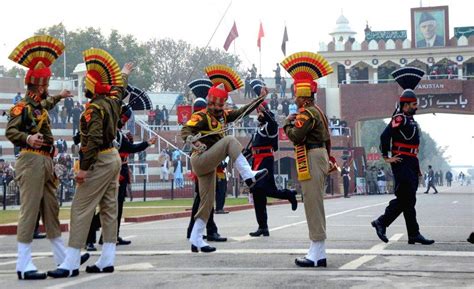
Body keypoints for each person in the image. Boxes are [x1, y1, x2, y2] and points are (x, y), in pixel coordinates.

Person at [6, 35, 89, 280]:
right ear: (38, 85)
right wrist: (28, 138)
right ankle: (23, 264)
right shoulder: (21, 108)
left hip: (45, 161)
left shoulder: (39, 106)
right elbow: (11, 131)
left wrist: (61, 96)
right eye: (45, 84)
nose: (47, 88)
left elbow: (47, 104)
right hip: (30, 160)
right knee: (30, 211)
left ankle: (63, 257)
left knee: (51, 210)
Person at [47, 50, 133, 278]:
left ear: (93, 87)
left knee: (80, 208)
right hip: (113, 156)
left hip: (100, 160)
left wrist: (83, 169)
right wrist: (124, 73)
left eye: (87, 83)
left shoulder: (93, 109)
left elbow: (92, 140)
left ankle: (71, 262)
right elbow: (119, 88)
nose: (84, 86)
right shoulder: (112, 101)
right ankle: (107, 259)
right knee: (109, 209)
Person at [181, 65, 268, 253]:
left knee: (207, 202)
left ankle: (196, 239)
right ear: (209, 102)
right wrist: (191, 140)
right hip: (200, 159)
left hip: (210, 163)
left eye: (221, 106)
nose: (217, 109)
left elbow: (243, 111)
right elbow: (186, 129)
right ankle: (247, 174)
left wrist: (260, 98)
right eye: (214, 105)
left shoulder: (224, 116)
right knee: (230, 140)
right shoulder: (201, 116)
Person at [281, 52, 334, 268]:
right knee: (315, 202)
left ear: (303, 96)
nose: (294, 99)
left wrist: (286, 124)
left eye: (296, 95)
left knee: (312, 203)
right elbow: (329, 138)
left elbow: (295, 136)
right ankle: (317, 252)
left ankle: (317, 251)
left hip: (312, 156)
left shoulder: (306, 113)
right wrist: (328, 158)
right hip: (319, 154)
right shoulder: (318, 112)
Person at [371, 67, 435, 246]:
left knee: (409, 200)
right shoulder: (399, 118)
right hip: (401, 162)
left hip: (410, 162)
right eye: (414, 104)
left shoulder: (410, 119)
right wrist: (386, 157)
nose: (417, 106)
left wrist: (417, 168)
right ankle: (382, 222)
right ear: (406, 105)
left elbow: (413, 147)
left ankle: (412, 233)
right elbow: (385, 136)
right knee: (406, 198)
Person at [85, 106, 157, 250]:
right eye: (122, 118)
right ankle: (89, 237)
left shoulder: (118, 133)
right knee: (107, 207)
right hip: (105, 170)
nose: (123, 122)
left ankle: (111, 235)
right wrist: (147, 143)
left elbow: (127, 147)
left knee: (117, 206)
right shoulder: (108, 131)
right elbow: (129, 148)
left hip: (119, 170)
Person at [248, 97, 298, 237]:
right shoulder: (259, 128)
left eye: (260, 112)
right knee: (260, 193)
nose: (258, 115)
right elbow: (252, 147)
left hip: (265, 161)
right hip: (256, 161)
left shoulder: (270, 126)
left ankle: (289, 194)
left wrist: (265, 111)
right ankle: (263, 227)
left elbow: (274, 123)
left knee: (261, 189)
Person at [185, 89, 227, 242]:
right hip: (204, 160)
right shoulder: (202, 120)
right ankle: (209, 229)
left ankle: (194, 229)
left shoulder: (199, 119)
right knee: (205, 198)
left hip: (206, 160)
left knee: (202, 198)